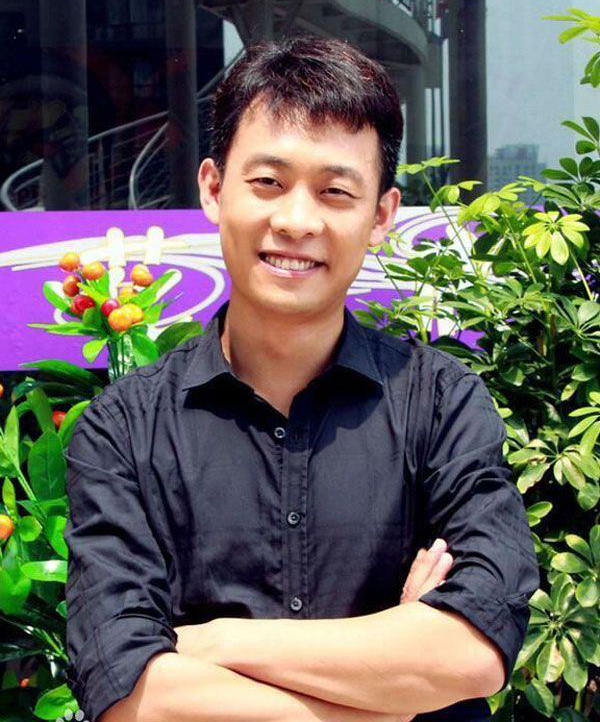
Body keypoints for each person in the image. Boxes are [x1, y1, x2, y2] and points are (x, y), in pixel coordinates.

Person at [63, 35, 539, 722]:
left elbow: (471, 652)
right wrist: (390, 691)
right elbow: (132, 696)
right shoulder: (123, 431)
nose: (295, 221)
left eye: (335, 191)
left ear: (381, 216)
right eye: (268, 183)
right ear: (213, 189)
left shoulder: (443, 405)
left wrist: (216, 643)